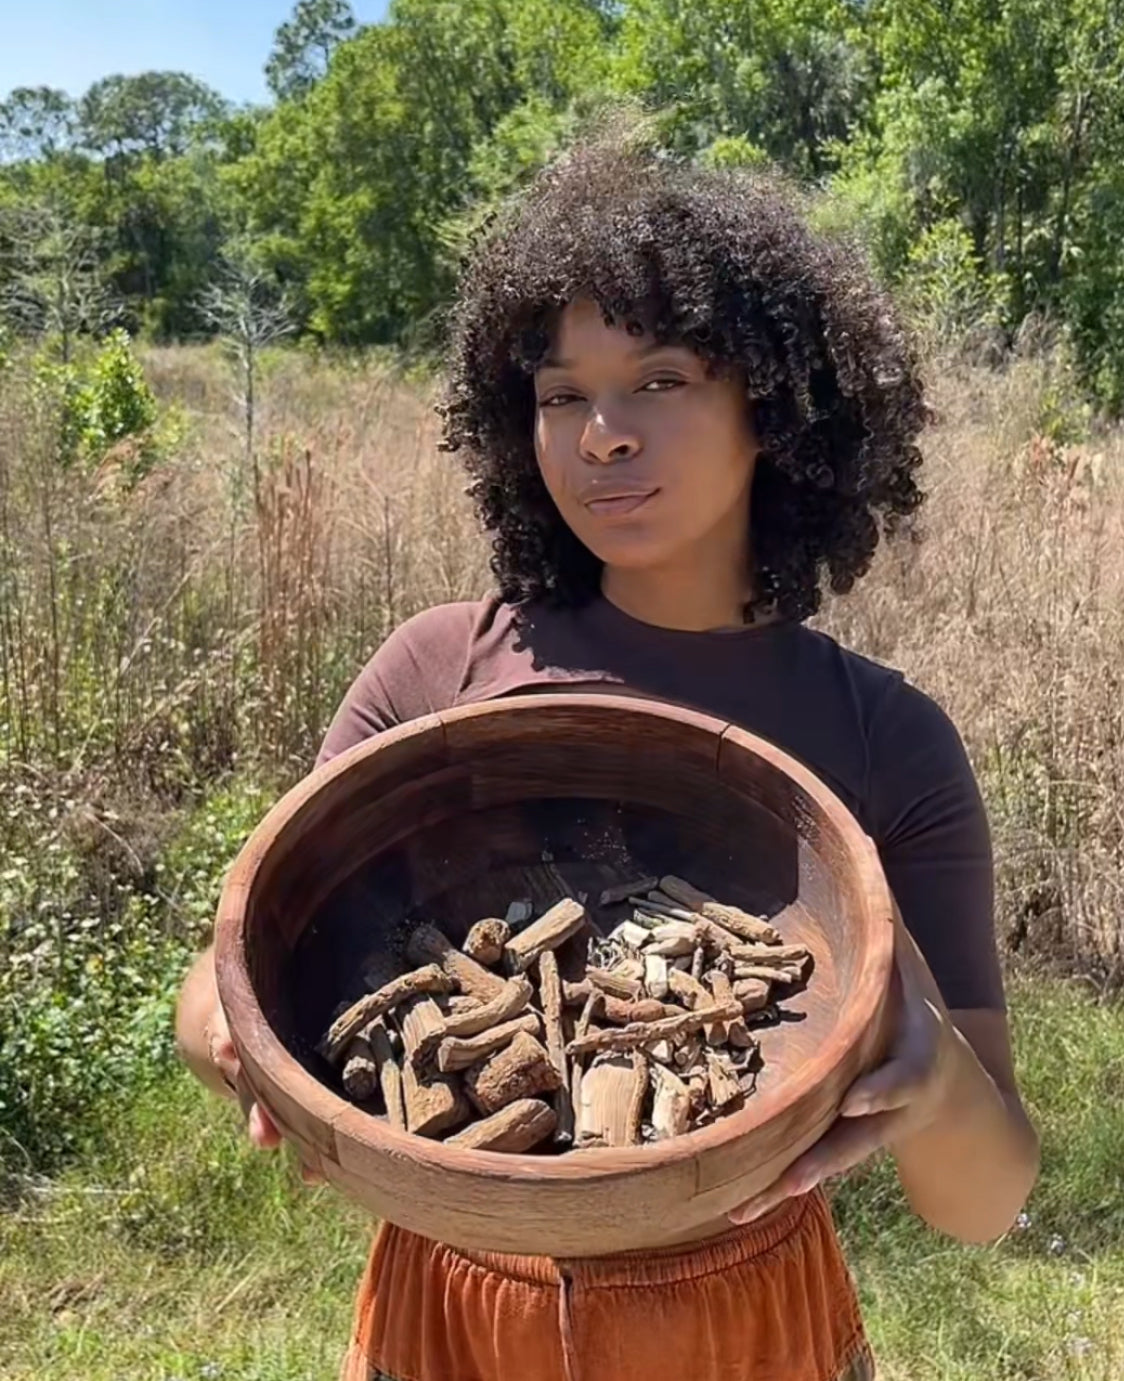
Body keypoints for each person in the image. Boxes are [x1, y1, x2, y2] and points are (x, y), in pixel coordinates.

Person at [175, 127, 1040, 1381]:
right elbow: (222, 986)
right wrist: (233, 1039)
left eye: (660, 379)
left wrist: (930, 1080)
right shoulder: (436, 674)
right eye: (559, 393)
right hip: (454, 1314)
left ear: (780, 409)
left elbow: (985, 1196)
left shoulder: (880, 739)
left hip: (746, 1327)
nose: (601, 435)